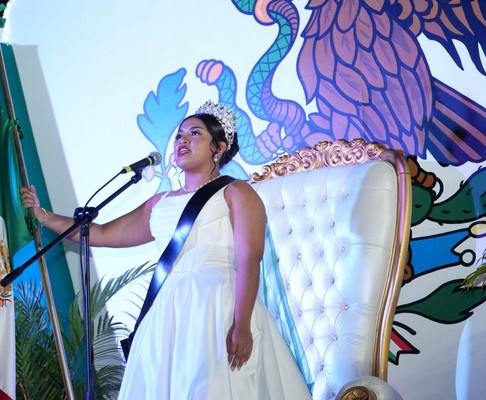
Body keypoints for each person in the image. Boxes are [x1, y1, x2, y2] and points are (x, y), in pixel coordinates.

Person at [21, 100, 312, 399]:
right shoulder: (159, 203)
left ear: (219, 147)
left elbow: (250, 259)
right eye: (179, 135)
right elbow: (100, 232)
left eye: (195, 134)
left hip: (218, 307)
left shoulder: (236, 191)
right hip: (166, 314)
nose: (183, 140)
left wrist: (242, 324)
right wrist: (43, 215)